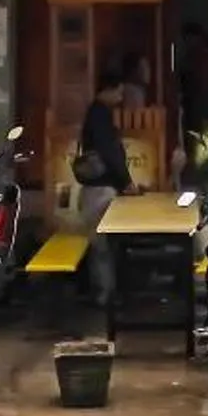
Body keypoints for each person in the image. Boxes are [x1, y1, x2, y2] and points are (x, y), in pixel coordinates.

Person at [76, 64, 134, 306]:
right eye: (118, 93)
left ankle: (106, 293)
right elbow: (110, 153)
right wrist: (126, 181)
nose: (120, 99)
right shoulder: (100, 115)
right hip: (100, 190)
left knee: (103, 245)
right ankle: (106, 296)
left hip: (97, 189)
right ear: (107, 90)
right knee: (103, 245)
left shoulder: (96, 113)